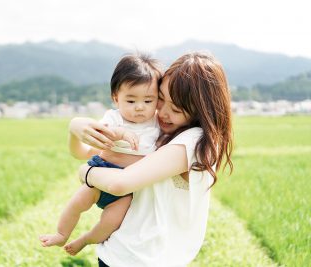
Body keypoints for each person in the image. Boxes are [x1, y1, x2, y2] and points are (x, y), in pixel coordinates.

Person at [70, 52, 233, 266]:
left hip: (145, 258)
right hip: (122, 251)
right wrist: (74, 127)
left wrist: (86, 173)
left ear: (201, 111)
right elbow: (85, 151)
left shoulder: (194, 143)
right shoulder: (158, 130)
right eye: (160, 99)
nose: (163, 113)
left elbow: (119, 183)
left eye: (175, 109)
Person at [39, 54, 163, 256]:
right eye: (131, 100)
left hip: (128, 188)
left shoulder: (157, 122)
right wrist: (121, 133)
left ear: (158, 100)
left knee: (110, 223)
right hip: (102, 173)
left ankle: (86, 239)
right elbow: (103, 132)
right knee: (76, 204)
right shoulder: (113, 117)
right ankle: (61, 234)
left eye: (148, 100)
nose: (140, 107)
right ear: (116, 98)